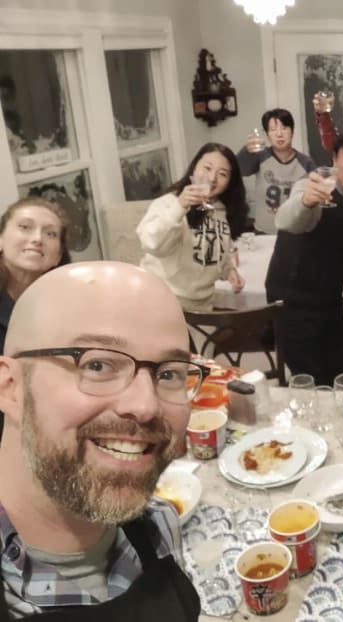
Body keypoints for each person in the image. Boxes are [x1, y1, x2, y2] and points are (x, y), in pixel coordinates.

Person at [0, 261, 206, 619]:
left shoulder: (158, 526)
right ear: (10, 387)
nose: (145, 405)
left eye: (169, 373)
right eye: (97, 365)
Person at [265, 128, 343, 385]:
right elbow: (287, 220)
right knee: (310, 380)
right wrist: (306, 201)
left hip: (328, 300)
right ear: (334, 158)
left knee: (339, 373)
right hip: (292, 301)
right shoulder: (314, 186)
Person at [137, 143, 248, 312]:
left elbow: (215, 247)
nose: (212, 178)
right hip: (161, 302)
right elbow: (151, 243)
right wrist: (180, 207)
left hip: (202, 307)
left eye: (222, 174)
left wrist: (228, 270)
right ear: (194, 168)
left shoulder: (221, 209)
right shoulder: (169, 203)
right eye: (207, 168)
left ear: (230, 182)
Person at [0, 197, 70, 352]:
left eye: (50, 234)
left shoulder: (69, 304)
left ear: (58, 256)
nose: (37, 239)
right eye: (25, 227)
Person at [236, 108, 314, 234]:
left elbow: (313, 198)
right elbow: (239, 170)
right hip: (263, 232)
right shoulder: (260, 156)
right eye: (273, 130)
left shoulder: (305, 163)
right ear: (267, 134)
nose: (279, 134)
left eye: (284, 128)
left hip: (295, 233)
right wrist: (247, 151)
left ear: (292, 131)